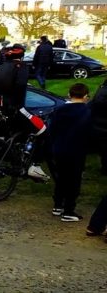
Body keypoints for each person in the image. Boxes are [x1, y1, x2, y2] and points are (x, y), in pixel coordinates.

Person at [0, 44, 49, 181]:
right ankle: (35, 166)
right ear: (21, 56)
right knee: (42, 130)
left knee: (8, 141)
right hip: (16, 108)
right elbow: (20, 85)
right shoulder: (21, 67)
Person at [47, 83, 90, 222]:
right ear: (85, 96)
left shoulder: (59, 110)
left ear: (69, 95)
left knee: (61, 178)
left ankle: (58, 205)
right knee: (74, 180)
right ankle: (69, 210)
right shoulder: (87, 112)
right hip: (76, 150)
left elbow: (51, 130)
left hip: (59, 149)